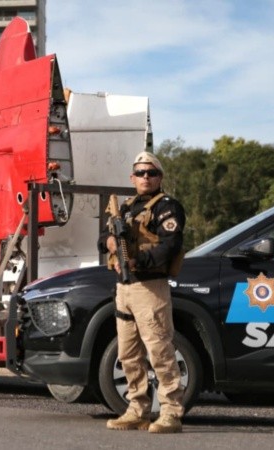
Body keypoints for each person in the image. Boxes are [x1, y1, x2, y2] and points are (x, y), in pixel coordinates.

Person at [98, 151, 186, 434]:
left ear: (160, 177)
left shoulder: (167, 207)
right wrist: (110, 242)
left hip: (150, 287)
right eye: (140, 173)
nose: (145, 177)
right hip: (125, 287)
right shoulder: (125, 207)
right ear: (132, 178)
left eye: (151, 173)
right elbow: (103, 237)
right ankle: (137, 409)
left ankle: (171, 412)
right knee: (128, 353)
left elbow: (169, 245)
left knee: (159, 349)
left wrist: (140, 261)